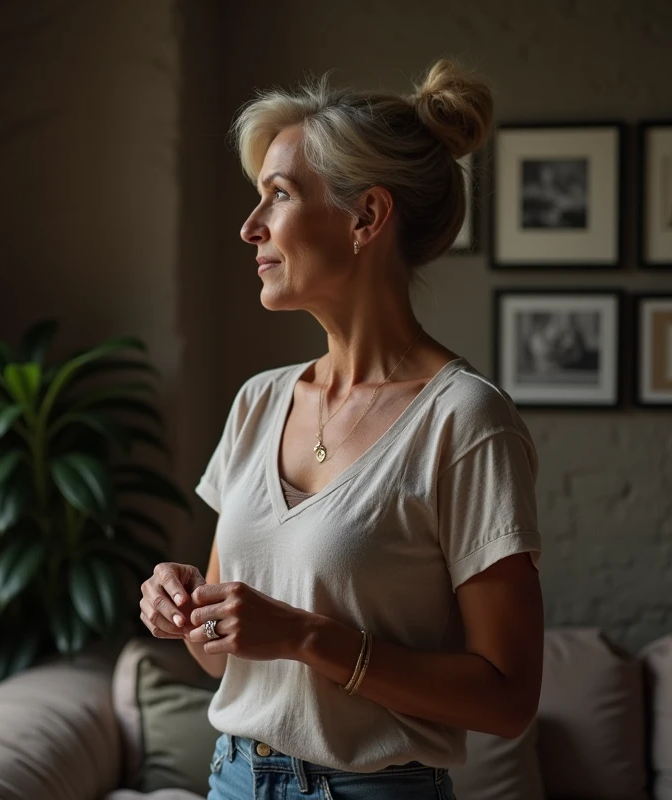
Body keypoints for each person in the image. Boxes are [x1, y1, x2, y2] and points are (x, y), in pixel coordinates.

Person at [139, 59, 543, 800]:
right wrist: (188, 607)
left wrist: (304, 636)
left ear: (366, 218)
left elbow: (509, 699)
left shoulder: (466, 421)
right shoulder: (258, 403)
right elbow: (222, 658)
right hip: (232, 779)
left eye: (279, 195)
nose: (248, 227)